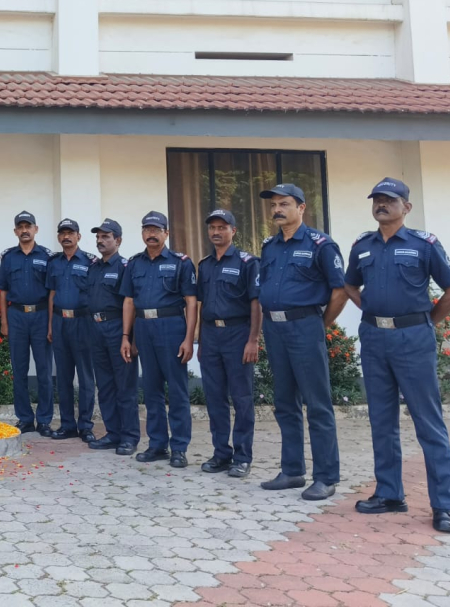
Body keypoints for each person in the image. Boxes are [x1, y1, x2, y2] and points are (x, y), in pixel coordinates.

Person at [344, 177, 450, 534]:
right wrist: (374, 312)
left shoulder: (424, 244)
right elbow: (350, 284)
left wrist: (424, 321)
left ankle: (443, 506)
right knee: (381, 420)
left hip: (413, 340)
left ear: (406, 207)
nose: (382, 204)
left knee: (428, 423)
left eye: (390, 200)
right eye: (377, 199)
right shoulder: (362, 246)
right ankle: (389, 494)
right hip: (374, 338)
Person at [257, 183, 347, 501]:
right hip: (275, 329)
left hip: (305, 327)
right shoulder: (270, 247)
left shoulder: (321, 244)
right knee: (284, 403)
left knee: (318, 405)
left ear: (301, 208)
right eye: (273, 206)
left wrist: (319, 324)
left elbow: (340, 290)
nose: (277, 209)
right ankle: (292, 470)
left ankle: (326, 476)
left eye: (284, 204)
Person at [120, 211, 197, 468]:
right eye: (147, 229)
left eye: (156, 230)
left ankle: (179, 448)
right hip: (143, 327)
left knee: (177, 390)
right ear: (142, 233)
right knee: (151, 389)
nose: (151, 234)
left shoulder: (181, 262)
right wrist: (126, 337)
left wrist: (189, 338)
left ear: (166, 233)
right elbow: (129, 301)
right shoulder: (134, 263)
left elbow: (191, 301)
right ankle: (157, 445)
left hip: (171, 326)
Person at [196, 209, 261, 479]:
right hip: (211, 336)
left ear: (233, 231)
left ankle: (242, 456)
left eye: (222, 227)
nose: (216, 232)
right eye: (212, 227)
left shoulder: (248, 262)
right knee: (215, 398)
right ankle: (221, 453)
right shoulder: (205, 265)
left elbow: (256, 302)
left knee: (242, 398)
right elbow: (200, 304)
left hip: (238, 334)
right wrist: (200, 339)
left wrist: (253, 340)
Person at [0, 211, 54, 436]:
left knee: (44, 371)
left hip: (40, 316)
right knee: (19, 371)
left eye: (28, 226)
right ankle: (25, 419)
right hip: (17, 317)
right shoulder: (9, 258)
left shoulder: (47, 256)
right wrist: (4, 321)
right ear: (15, 231)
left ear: (36, 229)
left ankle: (45, 420)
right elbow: (3, 291)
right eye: (20, 227)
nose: (24, 230)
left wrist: (50, 324)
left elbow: (52, 293)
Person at [86, 219, 140, 456]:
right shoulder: (94, 267)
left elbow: (132, 304)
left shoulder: (126, 267)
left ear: (118, 240)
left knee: (124, 385)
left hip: (118, 328)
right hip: (96, 329)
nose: (100, 240)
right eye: (98, 236)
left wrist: (131, 337)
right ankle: (113, 433)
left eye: (106, 236)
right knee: (105, 385)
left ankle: (129, 437)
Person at [46, 219, 96, 443]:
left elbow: (96, 295)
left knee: (85, 377)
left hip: (83, 323)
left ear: (79, 236)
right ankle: (67, 424)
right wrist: (49, 325)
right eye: (63, 233)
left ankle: (85, 426)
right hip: (59, 322)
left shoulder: (90, 262)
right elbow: (52, 295)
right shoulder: (54, 263)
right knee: (63, 377)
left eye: (71, 233)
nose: (66, 237)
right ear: (59, 237)